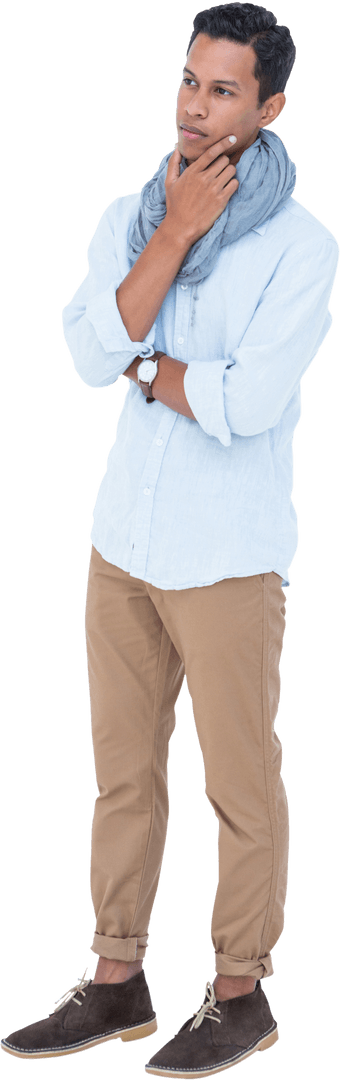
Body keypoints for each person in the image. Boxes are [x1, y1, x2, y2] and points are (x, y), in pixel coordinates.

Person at [1, 1, 338, 1072]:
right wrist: (176, 235)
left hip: (228, 558)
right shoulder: (134, 214)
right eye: (189, 82)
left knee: (240, 785)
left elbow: (246, 402)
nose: (196, 108)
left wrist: (152, 363)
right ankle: (117, 980)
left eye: (224, 90)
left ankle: (240, 993)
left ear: (270, 106)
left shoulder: (303, 249)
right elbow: (90, 354)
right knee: (121, 778)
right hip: (122, 545)